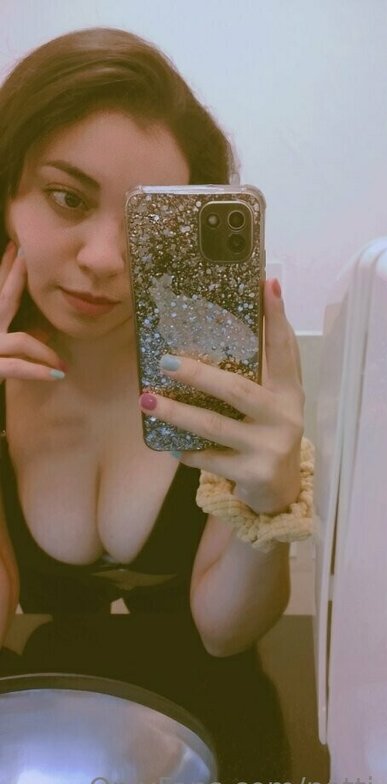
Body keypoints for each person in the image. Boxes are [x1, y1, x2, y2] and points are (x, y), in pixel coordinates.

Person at [0, 27, 309, 780]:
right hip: (34, 736)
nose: (104, 259)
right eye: (67, 198)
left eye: (145, 225)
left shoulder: (212, 365)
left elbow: (225, 632)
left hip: (211, 728)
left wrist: (269, 503)